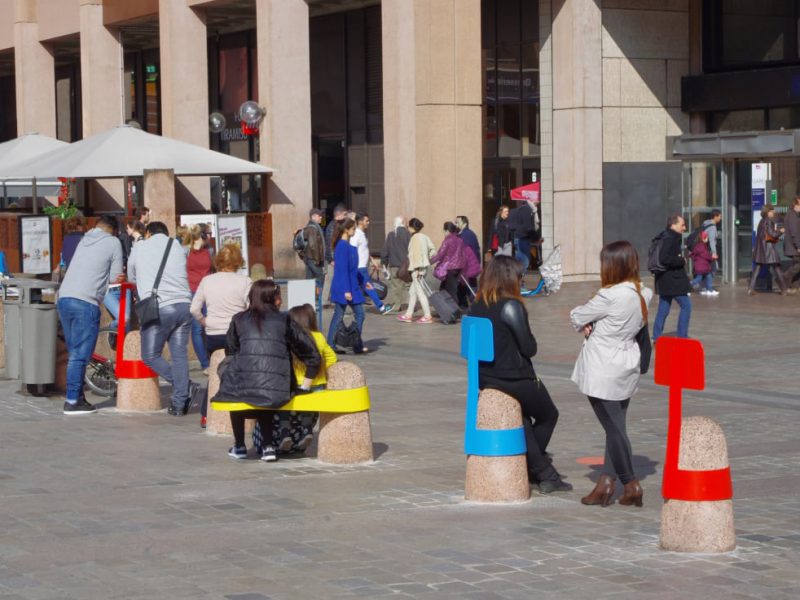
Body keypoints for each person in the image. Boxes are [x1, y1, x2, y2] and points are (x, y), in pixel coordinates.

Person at [468, 255, 571, 493]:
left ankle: (542, 472)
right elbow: (529, 348)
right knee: (548, 415)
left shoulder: (476, 304)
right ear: (509, 278)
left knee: (523, 420)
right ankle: (539, 469)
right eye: (520, 275)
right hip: (514, 378)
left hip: (486, 377)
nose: (522, 279)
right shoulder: (511, 305)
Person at [569, 240, 652, 508]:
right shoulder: (644, 294)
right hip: (627, 363)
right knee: (615, 426)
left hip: (602, 366)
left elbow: (576, 316)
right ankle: (606, 482)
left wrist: (589, 322)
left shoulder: (609, 296)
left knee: (614, 429)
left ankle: (630, 484)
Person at [213, 280, 321, 461]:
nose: (280, 300)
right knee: (267, 388)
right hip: (277, 389)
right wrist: (305, 384)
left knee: (238, 383)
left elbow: (230, 351)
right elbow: (312, 354)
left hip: (243, 386)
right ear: (272, 298)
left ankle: (239, 445)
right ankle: (269, 446)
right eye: (278, 296)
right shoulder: (284, 319)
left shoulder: (238, 319)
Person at [56, 215, 124, 414]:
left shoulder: (84, 240)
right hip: (85, 301)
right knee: (80, 355)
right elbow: (115, 278)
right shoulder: (113, 243)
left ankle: (77, 397)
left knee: (74, 353)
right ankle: (72, 401)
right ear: (114, 230)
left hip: (64, 298)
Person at [128, 221, 196, 416]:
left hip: (160, 307)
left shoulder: (140, 247)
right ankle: (178, 404)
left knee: (150, 356)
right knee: (180, 355)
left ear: (148, 233)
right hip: (184, 305)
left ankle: (184, 386)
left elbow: (132, 276)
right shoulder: (177, 246)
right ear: (166, 233)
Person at [254, 303, 338, 456]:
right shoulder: (319, 337)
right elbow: (332, 358)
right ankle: (307, 431)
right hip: (317, 384)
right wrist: (324, 372)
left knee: (285, 409)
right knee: (308, 411)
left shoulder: (290, 339)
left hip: (294, 384)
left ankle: (285, 433)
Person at [191, 243, 252, 428]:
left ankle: (205, 414)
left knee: (214, 374)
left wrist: (205, 321)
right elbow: (251, 309)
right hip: (237, 334)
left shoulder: (207, 281)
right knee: (240, 373)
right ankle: (243, 411)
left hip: (213, 334)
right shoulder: (245, 281)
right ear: (238, 261)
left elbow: (194, 309)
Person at [327, 218, 368, 352]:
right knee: (349, 314)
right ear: (346, 230)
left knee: (342, 314)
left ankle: (349, 342)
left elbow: (353, 270)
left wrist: (364, 282)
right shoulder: (342, 246)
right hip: (345, 287)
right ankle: (354, 343)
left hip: (352, 286)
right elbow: (342, 270)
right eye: (353, 228)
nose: (354, 231)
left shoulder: (349, 247)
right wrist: (346, 290)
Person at [652, 214, 692, 340]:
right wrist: (681, 261)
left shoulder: (666, 236)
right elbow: (664, 258)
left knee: (664, 307)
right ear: (673, 225)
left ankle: (656, 336)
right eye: (682, 225)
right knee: (686, 306)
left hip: (665, 279)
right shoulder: (670, 238)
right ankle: (682, 336)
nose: (684, 228)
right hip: (673, 280)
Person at [748, 205, 795, 296]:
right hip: (768, 249)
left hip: (760, 249)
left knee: (757, 269)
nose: (773, 212)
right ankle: (784, 289)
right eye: (772, 211)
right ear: (767, 212)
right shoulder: (768, 221)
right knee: (777, 268)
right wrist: (780, 231)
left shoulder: (762, 221)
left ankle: (751, 289)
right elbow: (772, 234)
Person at [185, 225, 214, 373]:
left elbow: (214, 269)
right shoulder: (186, 251)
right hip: (193, 291)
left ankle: (213, 358)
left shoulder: (209, 250)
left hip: (208, 290)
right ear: (200, 236)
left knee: (210, 325)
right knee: (196, 329)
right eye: (207, 234)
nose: (209, 237)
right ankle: (205, 364)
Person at [350, 213, 391, 314]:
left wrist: (372, 261)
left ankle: (341, 307)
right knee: (368, 287)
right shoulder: (356, 235)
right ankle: (381, 307)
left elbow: (364, 250)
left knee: (358, 287)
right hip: (359, 267)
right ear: (360, 222)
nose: (368, 223)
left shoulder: (362, 234)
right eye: (366, 221)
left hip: (362, 266)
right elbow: (352, 250)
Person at [397, 218, 436, 324]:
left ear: (411, 227)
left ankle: (427, 315)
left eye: (408, 227)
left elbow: (416, 255)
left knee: (420, 292)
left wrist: (418, 268)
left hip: (417, 269)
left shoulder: (415, 238)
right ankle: (408, 314)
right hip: (423, 268)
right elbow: (433, 250)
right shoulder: (424, 237)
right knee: (413, 292)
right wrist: (426, 260)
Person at [431, 221, 466, 302]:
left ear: (446, 231)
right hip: (459, 267)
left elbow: (440, 254)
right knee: (443, 289)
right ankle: (443, 309)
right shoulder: (459, 240)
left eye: (444, 231)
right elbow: (463, 254)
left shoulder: (447, 240)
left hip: (450, 268)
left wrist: (429, 262)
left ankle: (454, 312)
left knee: (451, 291)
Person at [380, 216, 411, 310]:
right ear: (403, 223)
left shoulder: (391, 234)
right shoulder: (408, 234)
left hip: (394, 265)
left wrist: (384, 263)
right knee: (409, 286)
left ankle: (397, 306)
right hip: (406, 266)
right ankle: (411, 305)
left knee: (395, 287)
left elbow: (385, 251)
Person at [322, 204, 347, 307]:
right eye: (345, 214)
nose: (346, 217)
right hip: (333, 259)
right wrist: (332, 259)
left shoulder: (337, 226)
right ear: (339, 215)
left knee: (334, 279)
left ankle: (332, 299)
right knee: (329, 279)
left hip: (336, 258)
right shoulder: (332, 226)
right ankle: (324, 301)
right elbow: (330, 244)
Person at [297, 208, 326, 297]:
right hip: (313, 258)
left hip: (309, 257)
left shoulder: (312, 227)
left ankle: (308, 297)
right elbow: (313, 245)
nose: (321, 217)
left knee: (309, 278)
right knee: (320, 275)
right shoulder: (312, 228)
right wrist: (317, 260)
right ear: (313, 216)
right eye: (319, 216)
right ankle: (318, 297)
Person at [456, 215, 481, 307]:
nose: (456, 224)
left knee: (470, 287)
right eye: (455, 222)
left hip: (469, 266)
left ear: (465, 223)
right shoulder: (462, 234)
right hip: (468, 265)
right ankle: (464, 304)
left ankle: (476, 306)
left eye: (458, 222)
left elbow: (464, 252)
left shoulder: (467, 235)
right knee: (462, 285)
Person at [510, 199, 541, 272]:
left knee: (521, 261)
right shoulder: (527, 210)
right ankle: (519, 281)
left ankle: (518, 280)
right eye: (538, 199)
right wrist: (536, 238)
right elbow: (529, 227)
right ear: (533, 200)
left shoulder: (525, 209)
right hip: (522, 239)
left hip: (520, 238)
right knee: (524, 262)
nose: (539, 201)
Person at [689, 231, 718, 296]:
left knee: (708, 276)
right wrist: (712, 257)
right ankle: (686, 286)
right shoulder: (701, 247)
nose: (707, 239)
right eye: (706, 237)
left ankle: (709, 289)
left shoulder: (701, 246)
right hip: (702, 267)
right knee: (699, 279)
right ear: (702, 238)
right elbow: (706, 255)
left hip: (703, 266)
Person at [782, 197, 800, 288]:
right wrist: (798, 246)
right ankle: (783, 278)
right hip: (793, 246)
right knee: (797, 265)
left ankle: (793, 285)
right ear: (795, 205)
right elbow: (794, 233)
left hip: (793, 245)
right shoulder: (792, 215)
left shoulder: (794, 215)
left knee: (796, 264)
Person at [701, 209, 722, 276]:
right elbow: (712, 241)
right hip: (709, 251)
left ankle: (707, 285)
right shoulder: (712, 227)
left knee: (708, 269)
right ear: (715, 216)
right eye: (720, 216)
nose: (720, 218)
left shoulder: (705, 224)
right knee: (713, 268)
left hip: (703, 250)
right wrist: (714, 253)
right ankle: (705, 285)